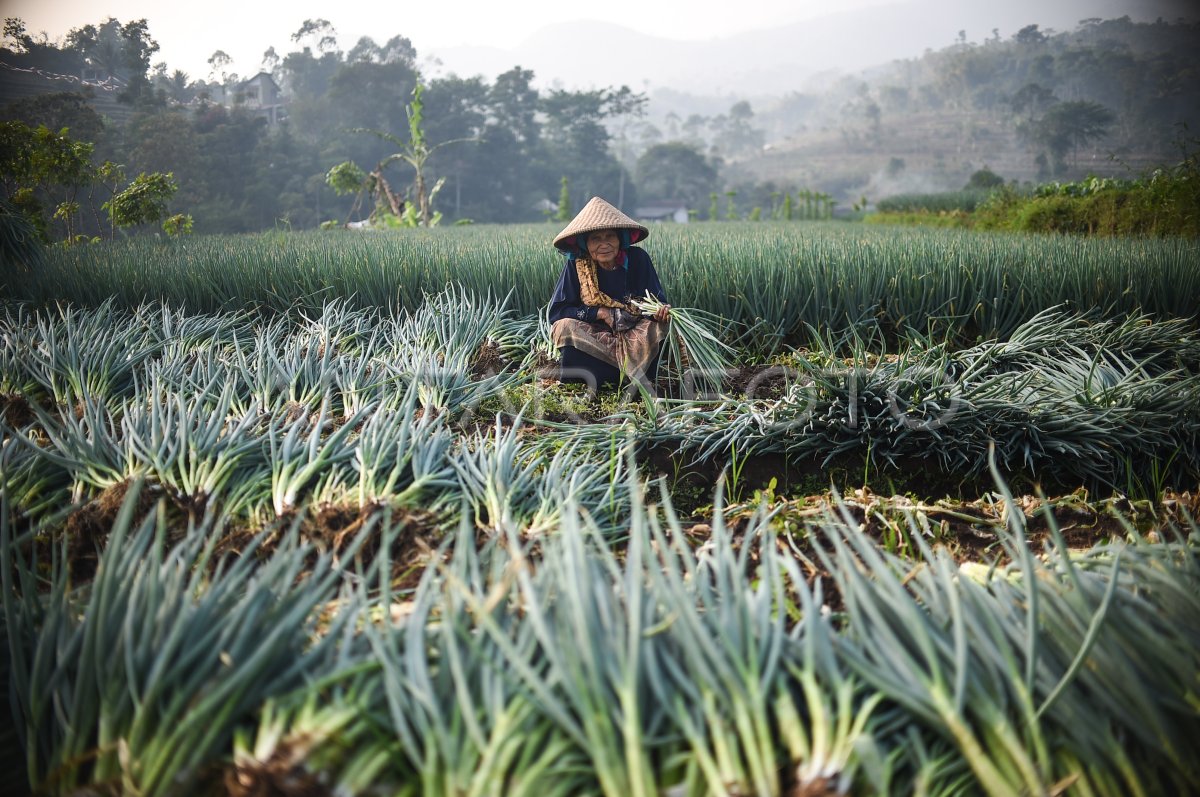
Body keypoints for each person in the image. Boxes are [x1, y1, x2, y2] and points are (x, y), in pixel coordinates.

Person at [548, 196, 671, 391]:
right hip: (596, 336)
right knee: (564, 326)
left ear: (620, 239)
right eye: (596, 238)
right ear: (585, 244)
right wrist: (599, 312)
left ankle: (636, 378)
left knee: (659, 327)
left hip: (633, 333)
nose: (604, 244)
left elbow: (657, 301)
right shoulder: (577, 265)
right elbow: (557, 312)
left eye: (610, 237)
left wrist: (660, 312)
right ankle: (593, 379)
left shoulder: (638, 259)